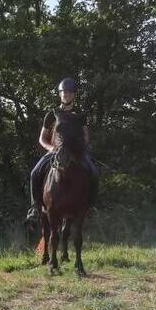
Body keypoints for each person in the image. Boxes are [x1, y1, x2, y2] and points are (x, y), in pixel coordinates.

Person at [26, 77, 99, 222]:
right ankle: (35, 207)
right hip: (55, 152)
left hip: (76, 152)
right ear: (60, 94)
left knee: (94, 172)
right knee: (34, 173)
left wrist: (79, 148)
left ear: (74, 95)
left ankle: (90, 206)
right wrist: (51, 148)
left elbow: (86, 137)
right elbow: (42, 138)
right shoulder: (51, 114)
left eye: (70, 92)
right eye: (64, 92)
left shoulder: (79, 115)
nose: (67, 95)